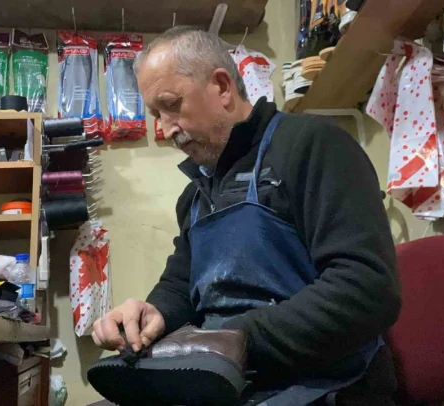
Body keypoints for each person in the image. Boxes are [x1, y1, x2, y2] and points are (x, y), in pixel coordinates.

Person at [91, 26, 401, 405]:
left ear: (222, 87)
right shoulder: (195, 196)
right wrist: (152, 314)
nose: (166, 128)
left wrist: (237, 339)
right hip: (228, 380)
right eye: (157, 114)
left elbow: (367, 288)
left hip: (323, 382)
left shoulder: (313, 146)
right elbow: (179, 285)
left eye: (172, 105)